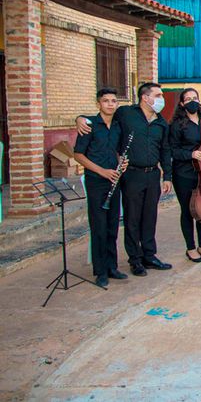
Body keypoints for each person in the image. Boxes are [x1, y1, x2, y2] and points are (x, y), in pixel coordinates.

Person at [75, 82, 173, 276]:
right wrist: (78, 119)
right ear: (145, 97)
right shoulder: (126, 114)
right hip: (131, 175)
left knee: (149, 218)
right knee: (132, 218)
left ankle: (149, 256)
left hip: (153, 174)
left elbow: (165, 149)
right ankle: (135, 260)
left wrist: (167, 177)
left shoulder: (161, 122)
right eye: (158, 95)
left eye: (161, 96)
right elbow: (100, 118)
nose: (162, 99)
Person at [73, 88, 128, 287]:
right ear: (98, 104)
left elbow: (118, 152)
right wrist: (102, 171)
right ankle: (101, 271)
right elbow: (78, 155)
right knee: (99, 227)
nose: (110, 104)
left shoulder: (118, 127)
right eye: (106, 101)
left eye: (113, 101)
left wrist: (122, 162)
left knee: (113, 225)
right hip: (96, 181)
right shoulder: (89, 125)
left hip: (114, 179)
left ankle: (112, 267)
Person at [168, 88, 201, 263]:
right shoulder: (177, 125)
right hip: (184, 172)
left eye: (195, 98)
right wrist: (190, 154)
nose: (192, 101)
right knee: (187, 210)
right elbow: (173, 150)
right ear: (182, 103)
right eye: (188, 99)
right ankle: (190, 248)